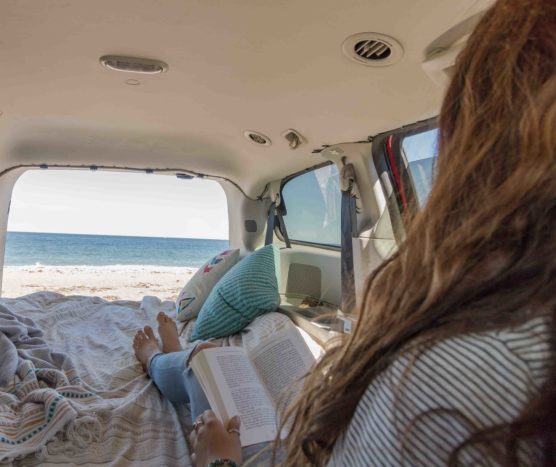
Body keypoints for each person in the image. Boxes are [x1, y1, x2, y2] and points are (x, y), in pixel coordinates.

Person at [135, 0, 556, 464]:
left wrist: (219, 460)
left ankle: (163, 360)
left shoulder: (466, 371)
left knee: (205, 369)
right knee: (216, 362)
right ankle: (176, 355)